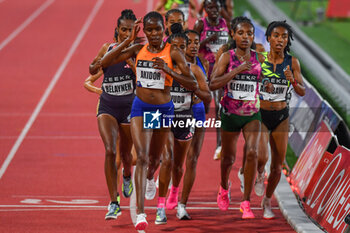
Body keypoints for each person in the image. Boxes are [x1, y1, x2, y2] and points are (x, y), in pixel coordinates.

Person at [100, 12, 198, 230]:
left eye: (157, 29)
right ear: (144, 31)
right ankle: (143, 214)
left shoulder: (172, 51)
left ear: (164, 29)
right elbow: (104, 62)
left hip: (162, 110)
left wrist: (168, 70)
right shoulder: (138, 49)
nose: (154, 34)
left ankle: (151, 176)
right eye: (149, 30)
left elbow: (192, 84)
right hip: (141, 107)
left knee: (154, 161)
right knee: (142, 157)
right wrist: (127, 41)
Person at [209, 16, 266, 219]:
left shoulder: (260, 57)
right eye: (241, 33)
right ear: (233, 34)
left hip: (252, 114)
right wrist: (237, 71)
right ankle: (224, 188)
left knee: (251, 152)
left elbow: (265, 81)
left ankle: (246, 201)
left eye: (249, 33)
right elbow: (213, 83)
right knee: (228, 158)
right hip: (230, 114)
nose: (245, 37)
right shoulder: (227, 57)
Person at [85, 9, 137, 220]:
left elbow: (144, 79)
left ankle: (127, 175)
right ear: (117, 30)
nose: (126, 33)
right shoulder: (107, 48)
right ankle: (113, 202)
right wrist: (96, 64)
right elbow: (91, 69)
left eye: (130, 30)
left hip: (128, 106)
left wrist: (134, 68)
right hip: (107, 105)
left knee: (126, 154)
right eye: (123, 30)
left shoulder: (136, 50)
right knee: (109, 150)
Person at [255, 20, 305, 219]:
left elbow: (301, 91)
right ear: (268, 38)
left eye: (284, 37)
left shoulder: (292, 62)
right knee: (262, 157)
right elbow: (250, 79)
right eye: (276, 36)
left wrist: (291, 79)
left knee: (277, 165)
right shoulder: (261, 58)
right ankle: (259, 172)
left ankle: (267, 200)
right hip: (261, 114)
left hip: (282, 116)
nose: (280, 40)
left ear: (287, 41)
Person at [175, 29, 210, 220]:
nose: (195, 45)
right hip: (172, 113)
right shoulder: (171, 63)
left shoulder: (201, 65)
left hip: (196, 111)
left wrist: (197, 91)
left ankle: (182, 204)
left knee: (192, 159)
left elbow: (207, 94)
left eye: (197, 42)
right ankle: (172, 191)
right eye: (190, 42)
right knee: (172, 159)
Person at [193, 0, 230, 161]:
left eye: (217, 7)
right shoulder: (200, 24)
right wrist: (207, 40)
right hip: (205, 67)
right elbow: (192, 47)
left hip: (221, 68)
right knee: (205, 105)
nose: (214, 10)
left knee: (220, 106)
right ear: (205, 9)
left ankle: (220, 145)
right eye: (210, 8)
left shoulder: (225, 22)